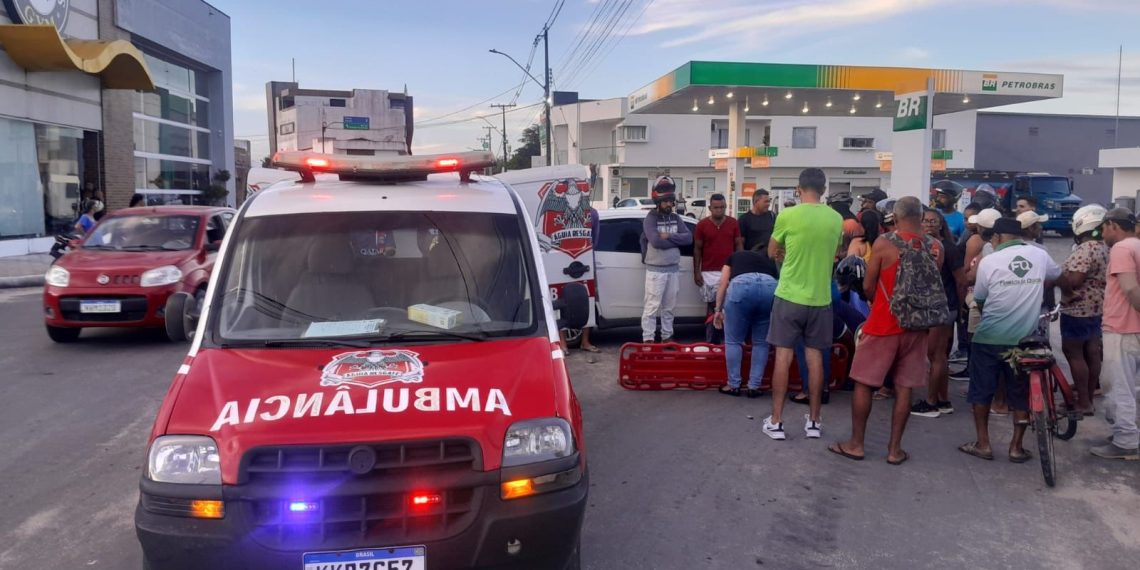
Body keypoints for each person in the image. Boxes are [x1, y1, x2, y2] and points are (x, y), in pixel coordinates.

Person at [829, 197, 942, 464]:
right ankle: (894, 450)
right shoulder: (935, 247)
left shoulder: (885, 243)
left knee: (865, 383)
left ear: (896, 216)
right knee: (904, 387)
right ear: (920, 216)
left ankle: (856, 444)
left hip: (883, 324)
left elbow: (868, 287)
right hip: (917, 326)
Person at [959, 217, 1060, 462]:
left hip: (989, 339)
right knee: (1020, 392)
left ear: (997, 237)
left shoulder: (989, 260)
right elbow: (1056, 276)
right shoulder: (1039, 255)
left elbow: (980, 299)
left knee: (982, 392)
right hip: (1025, 341)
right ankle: (1016, 447)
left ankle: (983, 444)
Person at [762, 168, 843, 440]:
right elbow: (834, 253)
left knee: (783, 358)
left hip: (789, 296)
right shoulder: (836, 219)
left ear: (798, 188)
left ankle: (776, 422)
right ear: (823, 188)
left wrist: (785, 255)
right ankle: (815, 422)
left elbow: (772, 251)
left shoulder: (787, 215)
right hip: (821, 298)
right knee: (815, 357)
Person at [1090, 208, 1140, 460]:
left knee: (1119, 387)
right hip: (1133, 329)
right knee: (1130, 388)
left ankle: (1126, 441)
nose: (1102, 234)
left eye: (1103, 229)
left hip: (1122, 329)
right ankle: (1128, 431)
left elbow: (1130, 289)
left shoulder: (1121, 249)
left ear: (1112, 225)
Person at [911, 209, 965, 418]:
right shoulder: (924, 246)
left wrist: (958, 309)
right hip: (937, 308)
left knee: (935, 355)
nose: (929, 224)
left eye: (934, 221)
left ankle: (931, 403)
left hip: (942, 307)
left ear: (941, 224)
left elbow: (961, 281)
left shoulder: (948, 249)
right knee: (939, 354)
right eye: (925, 221)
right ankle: (943, 400)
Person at [1057, 205, 1109, 416]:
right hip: (1098, 307)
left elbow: (1075, 280)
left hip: (1078, 309)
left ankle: (1083, 402)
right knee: (1092, 352)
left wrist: (1062, 283)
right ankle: (1087, 397)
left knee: (1074, 353)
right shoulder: (1106, 247)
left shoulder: (1086, 249)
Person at [713, 246, 780, 398]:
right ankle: (754, 386)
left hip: (741, 285)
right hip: (769, 286)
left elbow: (723, 283)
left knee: (733, 341)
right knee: (761, 342)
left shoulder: (735, 256)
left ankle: (733, 385)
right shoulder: (769, 261)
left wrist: (718, 310)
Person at [639, 176, 693, 343]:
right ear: (658, 201)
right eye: (666, 201)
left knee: (669, 308)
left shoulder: (676, 219)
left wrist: (668, 235)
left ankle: (667, 337)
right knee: (651, 308)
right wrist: (675, 239)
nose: (669, 204)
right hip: (656, 272)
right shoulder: (651, 218)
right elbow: (655, 241)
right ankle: (648, 340)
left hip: (673, 270)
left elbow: (689, 238)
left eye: (671, 201)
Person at [694, 194, 742, 342]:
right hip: (708, 272)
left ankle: (727, 338)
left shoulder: (733, 223)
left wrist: (740, 268)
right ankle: (711, 339)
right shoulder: (701, 225)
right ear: (710, 208)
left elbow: (739, 245)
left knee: (729, 306)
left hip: (729, 272)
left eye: (722, 207)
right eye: (716, 207)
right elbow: (697, 249)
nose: (719, 210)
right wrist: (696, 271)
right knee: (711, 306)